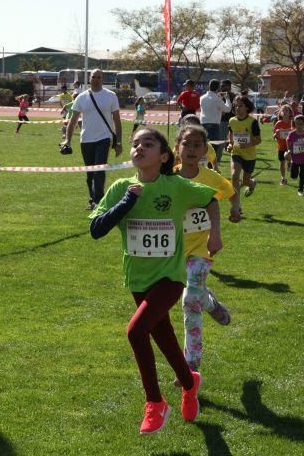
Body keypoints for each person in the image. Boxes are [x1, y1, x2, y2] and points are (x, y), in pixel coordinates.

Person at [89, 127, 221, 434]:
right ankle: (190, 383)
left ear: (163, 156)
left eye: (147, 144)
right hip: (138, 278)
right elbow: (96, 229)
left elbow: (211, 200)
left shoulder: (176, 186)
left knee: (136, 332)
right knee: (164, 339)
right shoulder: (122, 187)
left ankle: (155, 402)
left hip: (170, 276)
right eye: (135, 144)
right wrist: (126, 203)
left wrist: (215, 233)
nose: (138, 148)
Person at [174, 124, 237, 377]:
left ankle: (191, 365)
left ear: (205, 149)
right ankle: (210, 304)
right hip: (174, 250)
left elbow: (230, 193)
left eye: (197, 145)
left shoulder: (210, 178)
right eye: (186, 144)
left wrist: (235, 210)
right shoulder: (168, 176)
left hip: (202, 247)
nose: (191, 149)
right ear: (177, 148)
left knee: (189, 301)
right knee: (195, 295)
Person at [62, 69, 123, 209]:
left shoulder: (111, 96)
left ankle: (98, 201)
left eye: (99, 77)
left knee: (99, 170)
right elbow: (73, 120)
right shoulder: (81, 97)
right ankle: (93, 198)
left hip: (104, 139)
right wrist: (67, 140)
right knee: (90, 173)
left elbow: (117, 121)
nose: (96, 79)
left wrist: (118, 142)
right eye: (93, 77)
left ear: (103, 79)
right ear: (89, 79)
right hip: (86, 140)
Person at [227, 95, 261, 214]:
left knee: (246, 181)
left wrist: (248, 144)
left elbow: (258, 140)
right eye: (235, 106)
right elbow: (231, 135)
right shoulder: (232, 121)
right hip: (236, 153)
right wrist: (230, 144)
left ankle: (252, 184)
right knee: (235, 176)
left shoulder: (253, 122)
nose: (237, 108)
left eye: (240, 106)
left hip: (250, 156)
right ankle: (237, 205)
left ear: (247, 107)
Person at [199, 79, 231, 171]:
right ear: (218, 88)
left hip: (203, 124)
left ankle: (203, 166)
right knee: (214, 148)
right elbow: (227, 109)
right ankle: (211, 167)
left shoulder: (202, 98)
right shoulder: (217, 99)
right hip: (214, 125)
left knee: (204, 146)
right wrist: (227, 98)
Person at [285, 115, 304, 196]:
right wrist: (289, 152)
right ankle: (291, 169)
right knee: (293, 176)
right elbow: (289, 144)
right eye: (297, 124)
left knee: (303, 175)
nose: (299, 126)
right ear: (294, 124)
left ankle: (300, 189)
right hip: (295, 158)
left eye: (301, 124)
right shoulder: (292, 134)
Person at [273, 104, 294, 185]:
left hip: (291, 146)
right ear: (281, 113)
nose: (285, 112)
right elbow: (274, 136)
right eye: (283, 110)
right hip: (281, 146)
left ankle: (289, 163)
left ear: (290, 113)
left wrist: (291, 131)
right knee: (282, 162)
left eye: (287, 111)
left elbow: (297, 132)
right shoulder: (278, 123)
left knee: (288, 156)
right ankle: (283, 177)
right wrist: (276, 134)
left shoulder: (293, 123)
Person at [218, 80, 236, 166]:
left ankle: (237, 161)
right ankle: (217, 161)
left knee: (235, 141)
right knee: (221, 141)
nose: (222, 88)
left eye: (224, 86)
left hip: (233, 121)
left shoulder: (234, 96)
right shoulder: (219, 96)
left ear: (229, 86)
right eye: (221, 86)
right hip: (223, 121)